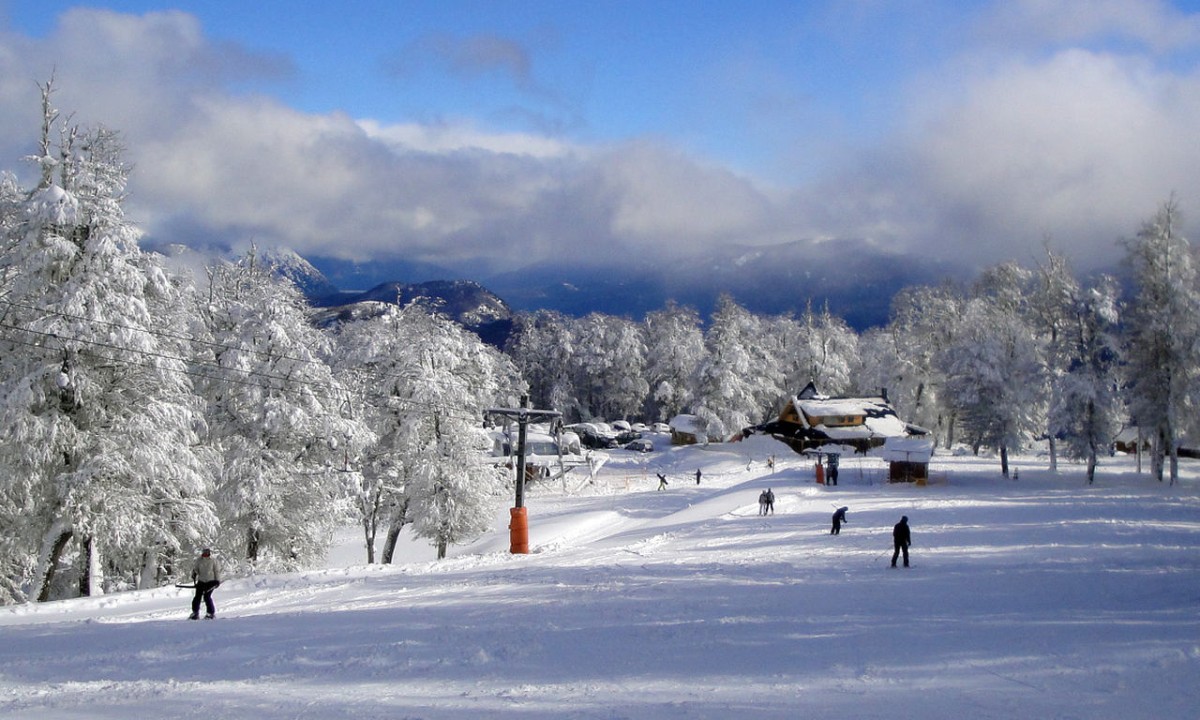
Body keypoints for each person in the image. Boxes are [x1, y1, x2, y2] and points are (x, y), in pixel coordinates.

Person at [189, 548, 221, 619]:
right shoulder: (199, 560)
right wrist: (194, 573)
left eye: (207, 552)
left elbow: (217, 571)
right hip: (201, 581)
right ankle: (195, 613)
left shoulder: (213, 561)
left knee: (207, 597)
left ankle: (210, 613)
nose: (206, 553)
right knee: (197, 597)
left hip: (211, 581)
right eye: (204, 552)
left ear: (209, 552)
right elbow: (195, 569)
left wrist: (217, 581)